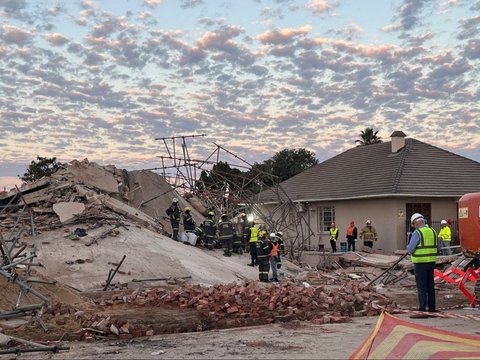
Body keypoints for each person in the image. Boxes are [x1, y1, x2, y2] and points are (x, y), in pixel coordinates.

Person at [407, 213, 440, 318]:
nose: (414, 227)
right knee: (430, 286)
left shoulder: (418, 233)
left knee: (421, 287)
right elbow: (437, 248)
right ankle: (432, 308)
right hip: (431, 262)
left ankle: (422, 309)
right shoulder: (433, 231)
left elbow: (410, 249)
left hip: (420, 263)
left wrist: (409, 245)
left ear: (416, 223)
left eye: (414, 224)